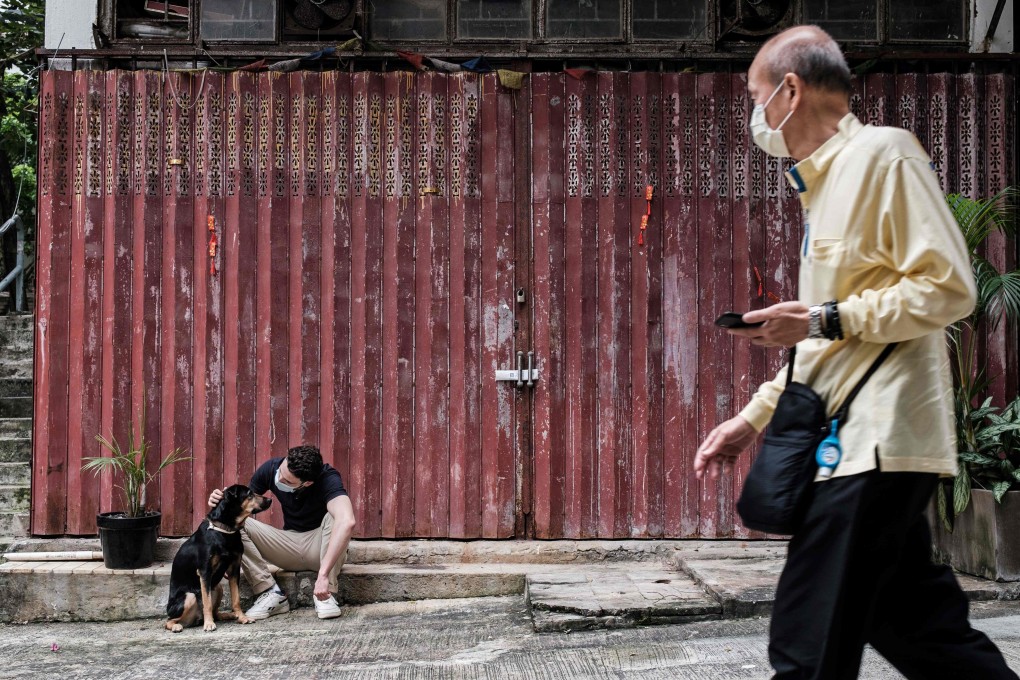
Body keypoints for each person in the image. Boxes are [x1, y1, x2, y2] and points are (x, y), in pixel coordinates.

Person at [694, 25, 1018, 680]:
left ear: (790, 91)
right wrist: (752, 418)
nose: (755, 118)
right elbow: (825, 340)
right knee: (922, 631)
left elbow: (949, 288)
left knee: (806, 645)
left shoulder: (884, 156)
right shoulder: (824, 188)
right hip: (853, 440)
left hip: (877, 443)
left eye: (756, 97)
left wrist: (822, 316)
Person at [207, 445, 356, 621]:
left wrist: (322, 575)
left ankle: (326, 594)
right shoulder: (271, 468)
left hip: (321, 548)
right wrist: (218, 501)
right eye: (281, 472)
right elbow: (241, 505)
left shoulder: (328, 478)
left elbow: (347, 521)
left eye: (287, 481)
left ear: (306, 483)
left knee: (337, 517)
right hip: (287, 545)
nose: (280, 479)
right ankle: (270, 592)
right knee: (237, 522)